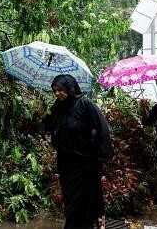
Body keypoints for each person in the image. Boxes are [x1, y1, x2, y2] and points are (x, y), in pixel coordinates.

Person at [43, 74, 112, 229]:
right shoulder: (57, 107)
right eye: (54, 90)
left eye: (60, 89)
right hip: (66, 162)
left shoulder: (84, 104)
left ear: (70, 88)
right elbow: (50, 126)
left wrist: (103, 155)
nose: (57, 93)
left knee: (84, 199)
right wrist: (43, 115)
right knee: (70, 198)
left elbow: (102, 128)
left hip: (86, 162)